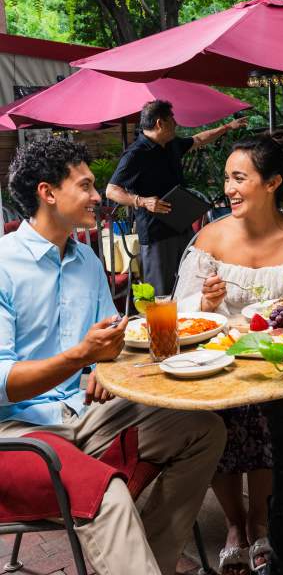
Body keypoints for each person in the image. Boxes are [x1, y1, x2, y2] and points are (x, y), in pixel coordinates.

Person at [0, 138, 227, 575]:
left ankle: (148, 565)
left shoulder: (86, 259)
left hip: (87, 415)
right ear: (47, 193)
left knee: (203, 429)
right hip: (19, 432)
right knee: (107, 493)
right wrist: (78, 358)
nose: (96, 195)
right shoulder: (4, 264)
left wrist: (104, 362)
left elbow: (111, 343)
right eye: (85, 185)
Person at [175, 131, 283, 575]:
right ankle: (233, 526)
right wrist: (204, 304)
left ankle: (261, 522)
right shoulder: (209, 240)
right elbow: (180, 312)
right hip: (218, 367)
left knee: (271, 413)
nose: (228, 189)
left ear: (272, 183)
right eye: (226, 179)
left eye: (239, 178)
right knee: (217, 417)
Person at [107, 99, 247, 295]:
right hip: (156, 232)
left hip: (181, 224)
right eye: (172, 119)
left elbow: (198, 139)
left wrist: (227, 127)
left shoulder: (170, 144)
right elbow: (111, 190)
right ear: (159, 123)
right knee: (161, 292)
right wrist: (141, 201)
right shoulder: (135, 154)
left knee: (193, 280)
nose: (176, 123)